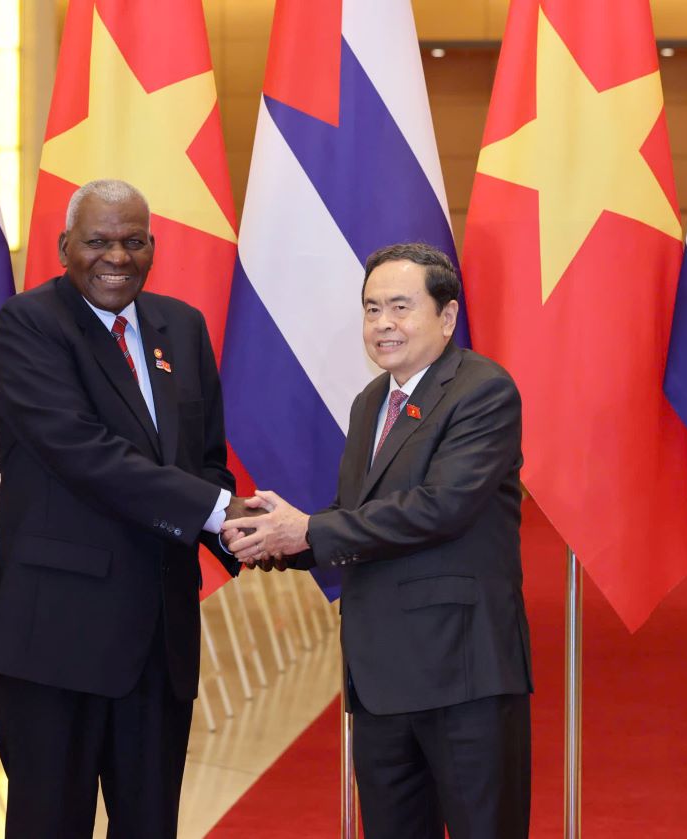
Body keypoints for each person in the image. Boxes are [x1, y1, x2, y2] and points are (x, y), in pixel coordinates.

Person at [225, 242, 533, 839]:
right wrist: (280, 539)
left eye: (400, 306)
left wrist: (309, 528)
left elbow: (440, 508)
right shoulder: (373, 401)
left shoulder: (483, 392)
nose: (383, 323)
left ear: (446, 317)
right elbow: (358, 518)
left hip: (462, 670)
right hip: (380, 678)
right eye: (371, 309)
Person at [0, 179, 256, 838]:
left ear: (152, 245)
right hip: (57, 643)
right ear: (64, 246)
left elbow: (205, 458)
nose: (117, 257)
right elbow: (87, 455)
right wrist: (222, 512)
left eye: (133, 242)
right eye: (98, 241)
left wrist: (251, 534)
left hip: (159, 644)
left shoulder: (182, 328)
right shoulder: (30, 323)